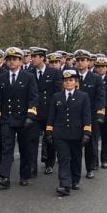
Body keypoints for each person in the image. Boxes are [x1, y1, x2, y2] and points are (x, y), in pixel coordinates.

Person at [0, 47, 39, 188]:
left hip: (24, 119)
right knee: (7, 148)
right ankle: (4, 177)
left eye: (15, 59)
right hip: (8, 118)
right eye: (9, 60)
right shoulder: (1, 78)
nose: (11, 62)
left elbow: (33, 97)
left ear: (20, 61)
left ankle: (24, 175)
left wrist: (31, 115)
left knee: (25, 149)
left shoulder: (28, 77)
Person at [45, 70, 92, 196]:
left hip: (76, 133)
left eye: (71, 80)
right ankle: (64, 184)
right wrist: (49, 131)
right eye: (65, 81)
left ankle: (75, 180)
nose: (68, 83)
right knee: (64, 158)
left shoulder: (83, 96)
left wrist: (87, 132)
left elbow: (86, 115)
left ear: (76, 82)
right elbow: (51, 115)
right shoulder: (57, 96)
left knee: (76, 158)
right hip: (60, 133)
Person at [28, 48, 63, 177]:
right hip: (35, 111)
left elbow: (57, 93)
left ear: (42, 58)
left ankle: (49, 163)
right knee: (32, 140)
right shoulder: (29, 72)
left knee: (50, 139)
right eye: (32, 56)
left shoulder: (53, 73)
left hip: (49, 111)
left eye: (35, 56)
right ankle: (32, 167)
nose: (32, 59)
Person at [75, 49, 105, 178]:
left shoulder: (96, 78)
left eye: (83, 60)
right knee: (75, 144)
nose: (80, 63)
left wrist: (100, 114)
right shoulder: (72, 77)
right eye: (78, 60)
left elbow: (100, 97)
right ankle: (75, 170)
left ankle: (90, 167)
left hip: (91, 116)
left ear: (89, 62)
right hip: (75, 116)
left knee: (91, 144)